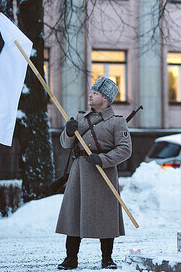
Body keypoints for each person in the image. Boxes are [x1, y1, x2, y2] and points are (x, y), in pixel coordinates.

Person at [55, 77, 132, 270]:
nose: (90, 95)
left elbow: (125, 149)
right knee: (74, 216)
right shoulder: (81, 118)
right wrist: (69, 132)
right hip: (80, 174)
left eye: (95, 93)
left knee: (106, 217)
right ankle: (70, 259)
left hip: (103, 175)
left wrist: (104, 159)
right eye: (91, 91)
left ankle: (107, 258)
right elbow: (65, 144)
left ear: (105, 98)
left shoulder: (117, 122)